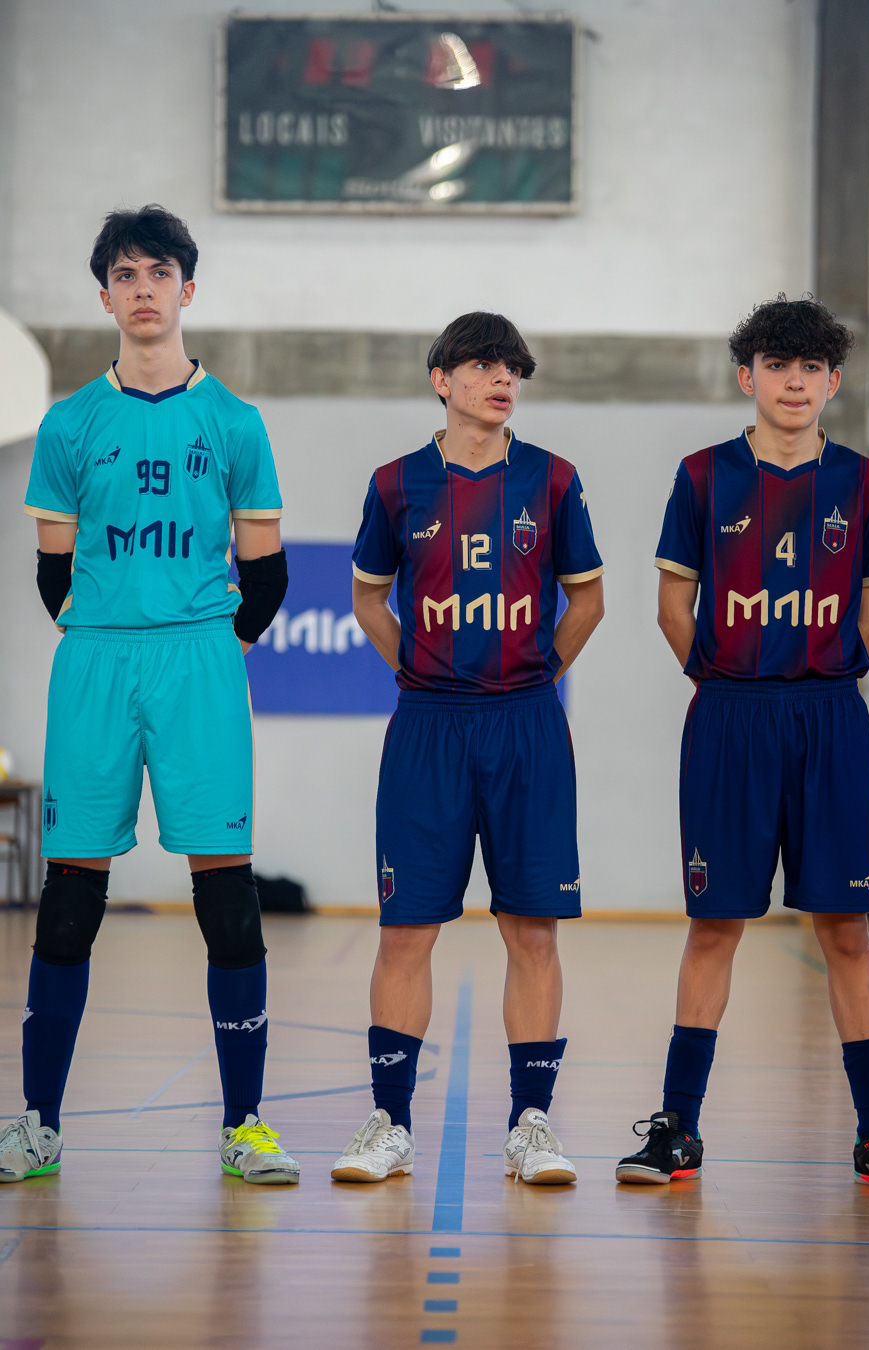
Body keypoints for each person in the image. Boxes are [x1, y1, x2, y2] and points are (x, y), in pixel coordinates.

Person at [0, 205, 299, 1186]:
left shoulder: (236, 422)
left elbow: (267, 577)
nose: (141, 289)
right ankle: (38, 1125)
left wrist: (208, 647)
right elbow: (52, 574)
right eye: (124, 275)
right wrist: (108, 632)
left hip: (199, 658)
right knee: (69, 900)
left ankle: (246, 1126)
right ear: (105, 296)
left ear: (187, 289)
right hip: (96, 660)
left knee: (229, 899)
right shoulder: (70, 423)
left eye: (157, 272)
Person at [616, 295, 869, 1190]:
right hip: (730, 714)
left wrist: (824, 672)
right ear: (749, 376)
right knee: (715, 925)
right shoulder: (703, 476)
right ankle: (679, 1128)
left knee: (846, 929)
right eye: (778, 365)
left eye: (811, 368)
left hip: (828, 716)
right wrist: (724, 681)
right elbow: (673, 606)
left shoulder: (866, 484)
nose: (795, 382)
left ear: (834, 381)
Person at [332, 311, 605, 1185]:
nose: (502, 379)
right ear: (441, 380)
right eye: (484, 365)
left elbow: (588, 599)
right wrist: (417, 666)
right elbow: (368, 597)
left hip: (526, 723)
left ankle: (532, 1125)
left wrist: (537, 673)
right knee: (405, 931)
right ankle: (390, 1123)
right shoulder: (395, 484)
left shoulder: (553, 480)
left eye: (512, 368)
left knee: (533, 930)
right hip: (429, 726)